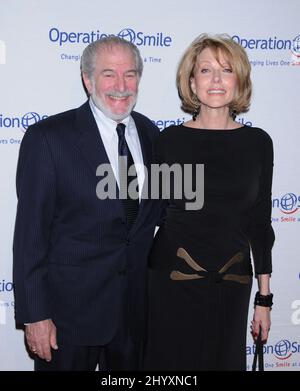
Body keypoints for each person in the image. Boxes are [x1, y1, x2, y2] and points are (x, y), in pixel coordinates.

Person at [13, 36, 159, 371]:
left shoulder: (152, 136)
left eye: (130, 74)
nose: (121, 86)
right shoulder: (48, 138)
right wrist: (35, 315)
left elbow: (155, 218)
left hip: (134, 318)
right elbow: (30, 237)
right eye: (109, 74)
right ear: (87, 79)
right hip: (68, 320)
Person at [144, 33, 275, 371]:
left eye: (227, 70)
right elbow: (153, 212)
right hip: (171, 280)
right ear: (191, 81)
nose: (216, 80)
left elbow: (260, 224)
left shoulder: (258, 143)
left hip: (232, 283)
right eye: (205, 71)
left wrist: (265, 298)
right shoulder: (169, 141)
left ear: (240, 81)